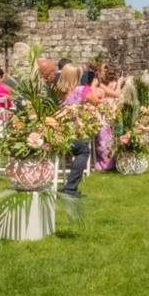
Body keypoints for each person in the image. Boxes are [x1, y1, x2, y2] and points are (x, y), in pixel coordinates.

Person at [58, 64, 114, 172]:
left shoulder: (59, 91)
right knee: (104, 127)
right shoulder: (82, 89)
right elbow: (96, 102)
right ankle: (105, 162)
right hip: (81, 127)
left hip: (64, 127)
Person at [57, 65, 95, 197]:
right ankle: (70, 188)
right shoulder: (82, 90)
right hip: (72, 136)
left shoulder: (56, 91)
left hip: (55, 135)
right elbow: (95, 101)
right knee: (83, 150)